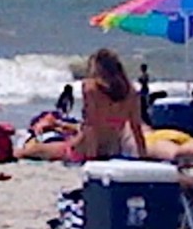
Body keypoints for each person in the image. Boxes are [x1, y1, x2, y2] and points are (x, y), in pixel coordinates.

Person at [15, 49, 146, 162]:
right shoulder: (131, 92)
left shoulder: (91, 88)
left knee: (35, 150)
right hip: (113, 150)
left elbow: (91, 127)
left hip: (83, 149)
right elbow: (136, 128)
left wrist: (91, 159)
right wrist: (143, 157)